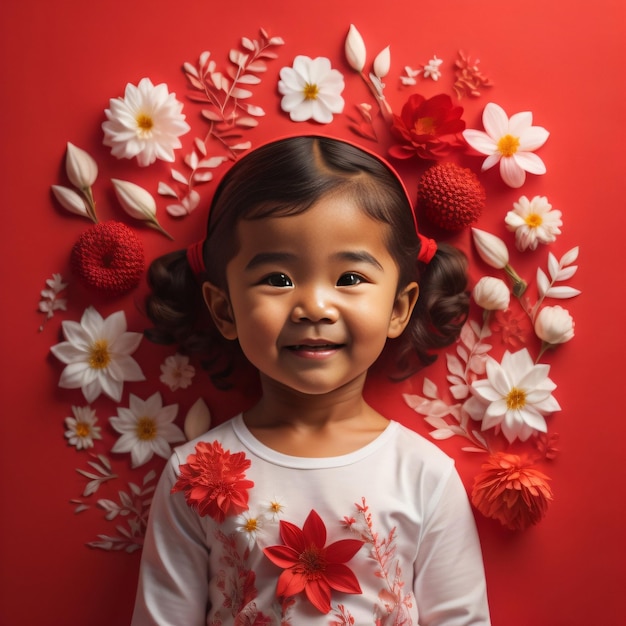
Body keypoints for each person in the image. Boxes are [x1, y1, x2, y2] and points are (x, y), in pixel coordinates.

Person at [133, 136, 491, 625]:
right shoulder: (191, 473)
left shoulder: (425, 476)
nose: (315, 308)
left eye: (349, 279)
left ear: (399, 308)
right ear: (224, 308)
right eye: (278, 279)